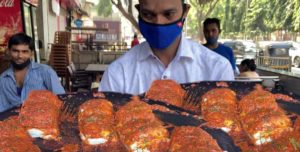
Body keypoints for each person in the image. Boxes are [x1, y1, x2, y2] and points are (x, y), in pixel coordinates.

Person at [99, 0, 234, 95]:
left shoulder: (217, 69)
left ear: (185, 11)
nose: (159, 23)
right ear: (139, 11)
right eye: (148, 15)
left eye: (168, 14)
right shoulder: (118, 73)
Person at [0, 33, 65, 112]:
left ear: (31, 53)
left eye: (24, 52)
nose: (20, 56)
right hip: (14, 122)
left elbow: (61, 100)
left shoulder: (45, 72)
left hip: (43, 122)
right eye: (15, 51)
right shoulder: (3, 79)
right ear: (9, 51)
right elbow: (2, 109)